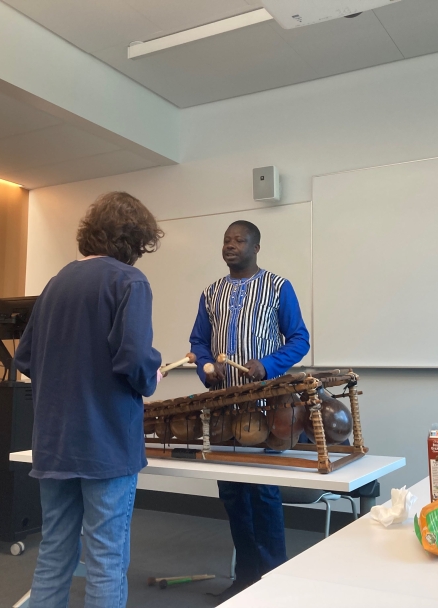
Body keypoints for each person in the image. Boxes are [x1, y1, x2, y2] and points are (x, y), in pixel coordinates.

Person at [14, 191, 163, 608]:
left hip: (54, 442)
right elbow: (134, 361)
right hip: (106, 443)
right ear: (133, 241)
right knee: (106, 557)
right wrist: (153, 370)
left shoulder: (56, 281)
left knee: (56, 549)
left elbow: (25, 357)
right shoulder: (129, 281)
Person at [189, 220, 310, 600]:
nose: (231, 245)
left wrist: (267, 365)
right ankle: (244, 580)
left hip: (265, 411)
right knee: (232, 494)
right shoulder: (211, 293)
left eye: (239, 240)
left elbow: (299, 339)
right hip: (223, 410)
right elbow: (198, 342)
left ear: (256, 247)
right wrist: (206, 370)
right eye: (226, 240)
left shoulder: (278, 287)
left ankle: (274, 582)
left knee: (262, 493)